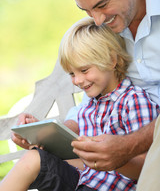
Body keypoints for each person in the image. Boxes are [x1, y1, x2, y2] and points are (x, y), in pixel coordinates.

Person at [1, 17, 159, 190]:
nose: (77, 80)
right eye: (71, 73)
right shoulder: (89, 107)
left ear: (112, 60)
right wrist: (41, 136)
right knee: (34, 157)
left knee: (34, 160)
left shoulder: (135, 102)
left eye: (84, 70)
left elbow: (148, 168)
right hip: (84, 181)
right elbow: (84, 164)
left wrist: (112, 158)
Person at [53, 0, 160, 173]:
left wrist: (129, 146)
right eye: (86, 10)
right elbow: (91, 103)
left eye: (102, 5)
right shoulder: (107, 27)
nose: (98, 20)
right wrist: (53, 136)